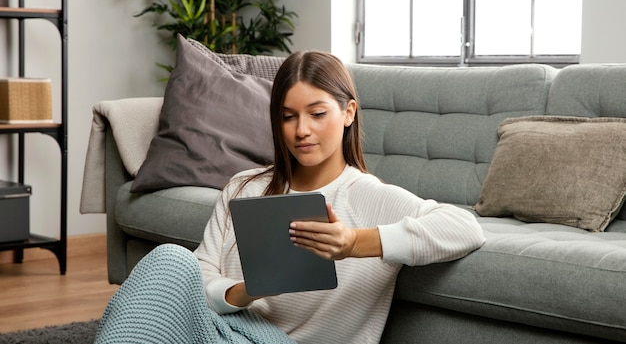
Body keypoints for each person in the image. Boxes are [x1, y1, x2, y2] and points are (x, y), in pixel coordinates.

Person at [95, 51, 485, 344]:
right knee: (170, 260)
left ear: (348, 113)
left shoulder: (367, 195)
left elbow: (464, 228)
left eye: (317, 114)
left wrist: (354, 243)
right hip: (227, 331)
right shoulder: (243, 187)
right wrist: (246, 290)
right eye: (288, 116)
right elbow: (201, 276)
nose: (301, 130)